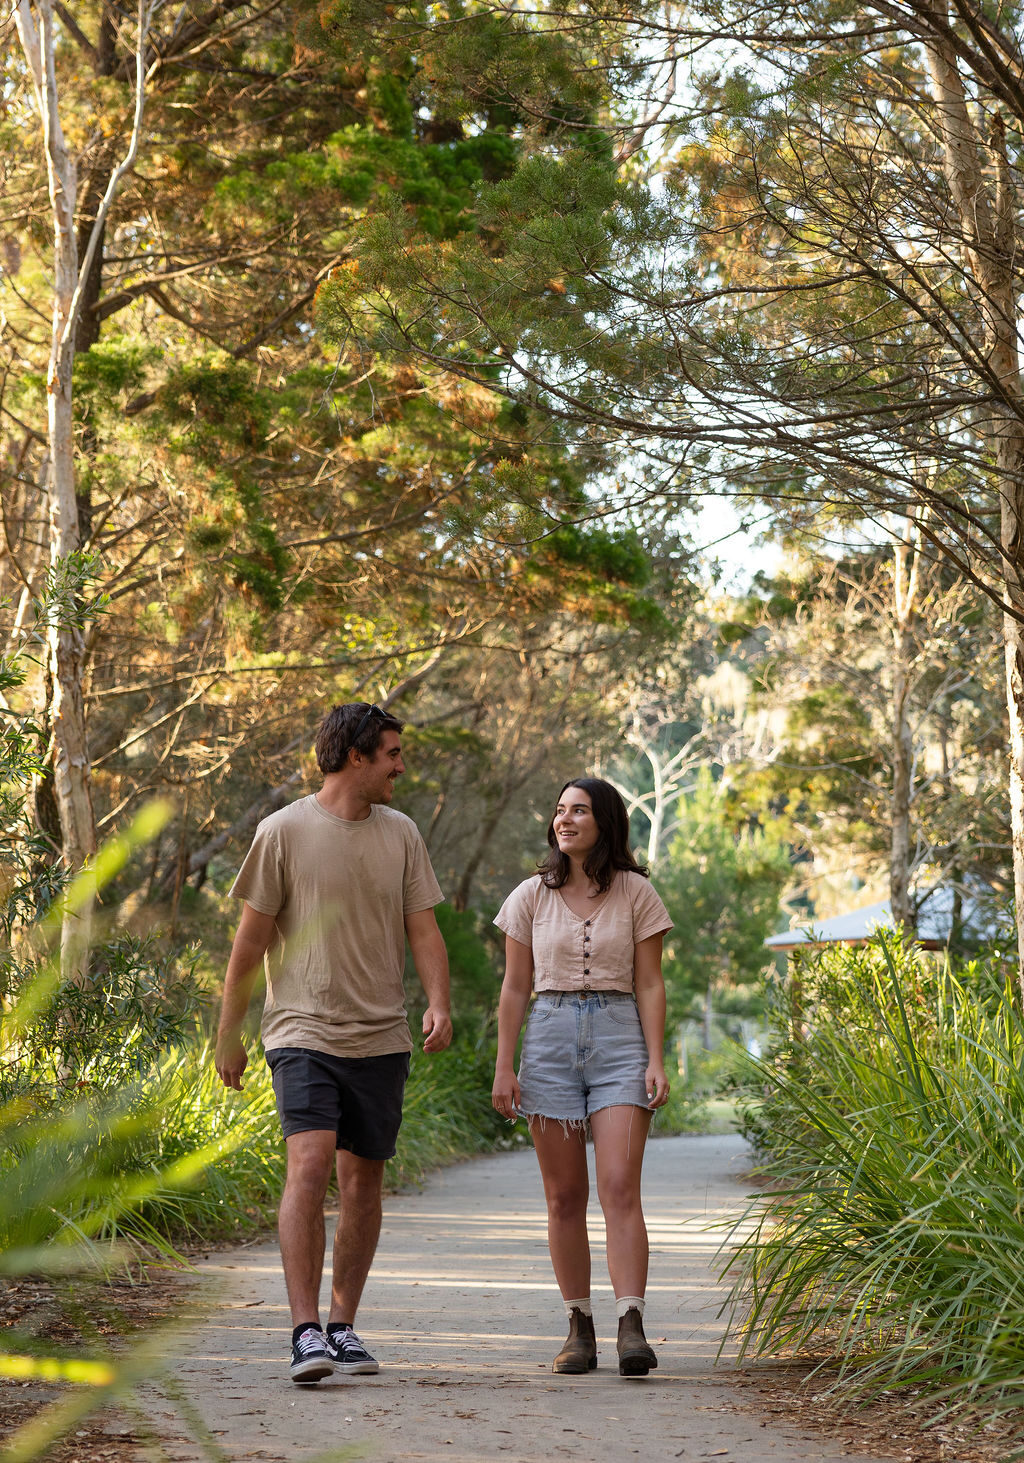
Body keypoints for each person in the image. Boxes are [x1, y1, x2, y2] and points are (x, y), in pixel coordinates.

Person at [214, 702, 452, 1385]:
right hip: (302, 1029)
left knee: (362, 1181)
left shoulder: (402, 834)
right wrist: (228, 1033)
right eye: (392, 753)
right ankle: (304, 1330)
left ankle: (342, 1325)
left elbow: (424, 929)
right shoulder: (283, 831)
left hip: (381, 1034)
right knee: (310, 1162)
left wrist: (438, 1001)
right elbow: (249, 943)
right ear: (356, 756)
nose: (400, 766)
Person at [491, 777, 672, 1378]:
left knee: (619, 1186)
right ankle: (578, 1325)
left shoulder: (637, 892)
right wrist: (504, 1067)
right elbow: (514, 988)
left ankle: (631, 1324)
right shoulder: (529, 896)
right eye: (559, 810)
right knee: (565, 1196)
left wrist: (655, 1058)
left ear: (605, 822)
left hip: (621, 1040)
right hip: (548, 1040)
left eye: (580, 811)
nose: (564, 820)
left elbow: (650, 982)